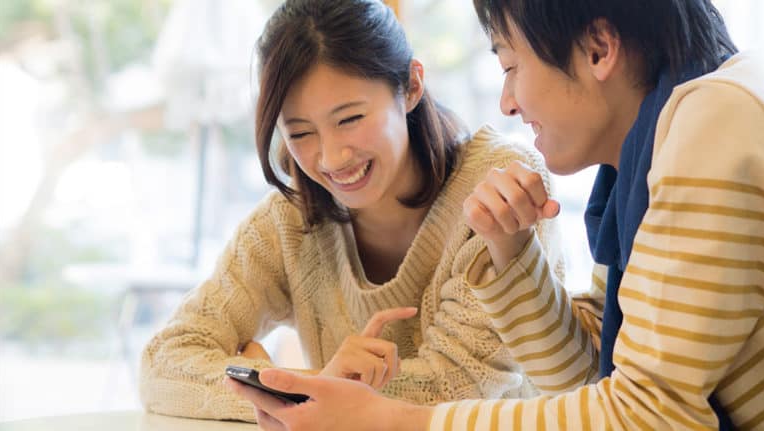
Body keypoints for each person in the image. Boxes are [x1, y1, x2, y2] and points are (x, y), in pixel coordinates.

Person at [225, 0, 764, 429]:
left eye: (511, 65)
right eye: (299, 134)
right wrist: (512, 257)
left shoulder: (709, 122)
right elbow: (592, 382)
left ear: (599, 48)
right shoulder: (643, 158)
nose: (507, 101)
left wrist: (393, 421)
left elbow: (652, 416)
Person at [140, 0, 565, 422]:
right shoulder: (290, 221)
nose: (330, 157)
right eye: (300, 132)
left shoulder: (500, 186)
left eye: (349, 119)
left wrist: (301, 391)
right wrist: (304, 385)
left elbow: (463, 384)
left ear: (412, 87)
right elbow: (164, 362)